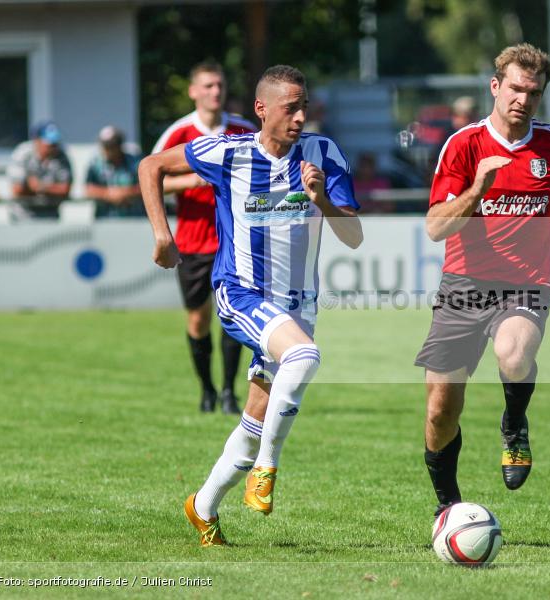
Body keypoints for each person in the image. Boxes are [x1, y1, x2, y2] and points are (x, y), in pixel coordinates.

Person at [140, 64, 363, 546]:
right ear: (262, 110)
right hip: (241, 293)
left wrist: (321, 198)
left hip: (298, 305)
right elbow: (150, 166)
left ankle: (202, 507)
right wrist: (163, 235)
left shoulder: (323, 154)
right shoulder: (228, 152)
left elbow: (353, 235)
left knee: (255, 417)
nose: (301, 116)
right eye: (291, 108)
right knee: (304, 358)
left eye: (305, 106)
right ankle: (268, 467)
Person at [415, 44, 550, 517]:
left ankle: (514, 423)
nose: (523, 98)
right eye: (515, 88)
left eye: (533, 92)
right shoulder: (463, 146)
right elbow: (436, 226)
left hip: (525, 285)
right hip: (462, 287)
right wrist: (478, 190)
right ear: (495, 87)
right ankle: (449, 507)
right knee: (440, 411)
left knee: (514, 354)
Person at [152, 61, 257, 415]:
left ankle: (229, 391)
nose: (215, 92)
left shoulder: (243, 130)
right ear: (193, 91)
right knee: (198, 319)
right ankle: (207, 390)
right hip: (194, 242)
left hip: (235, 242)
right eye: (208, 86)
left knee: (233, 315)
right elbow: (154, 178)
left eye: (219, 85)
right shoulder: (178, 134)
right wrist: (193, 180)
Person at [7, 121, 72, 217]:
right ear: (36, 141)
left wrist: (40, 187)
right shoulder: (22, 154)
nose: (53, 147)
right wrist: (52, 189)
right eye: (49, 144)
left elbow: (65, 190)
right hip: (22, 216)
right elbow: (17, 190)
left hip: (50, 215)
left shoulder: (61, 156)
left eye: (55, 143)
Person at [85, 126, 144, 217]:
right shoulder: (95, 164)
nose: (107, 150)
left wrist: (125, 193)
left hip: (134, 220)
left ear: (120, 145)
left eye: (111, 145)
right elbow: (88, 189)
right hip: (104, 219)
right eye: (105, 146)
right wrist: (108, 194)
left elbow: (147, 186)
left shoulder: (136, 163)